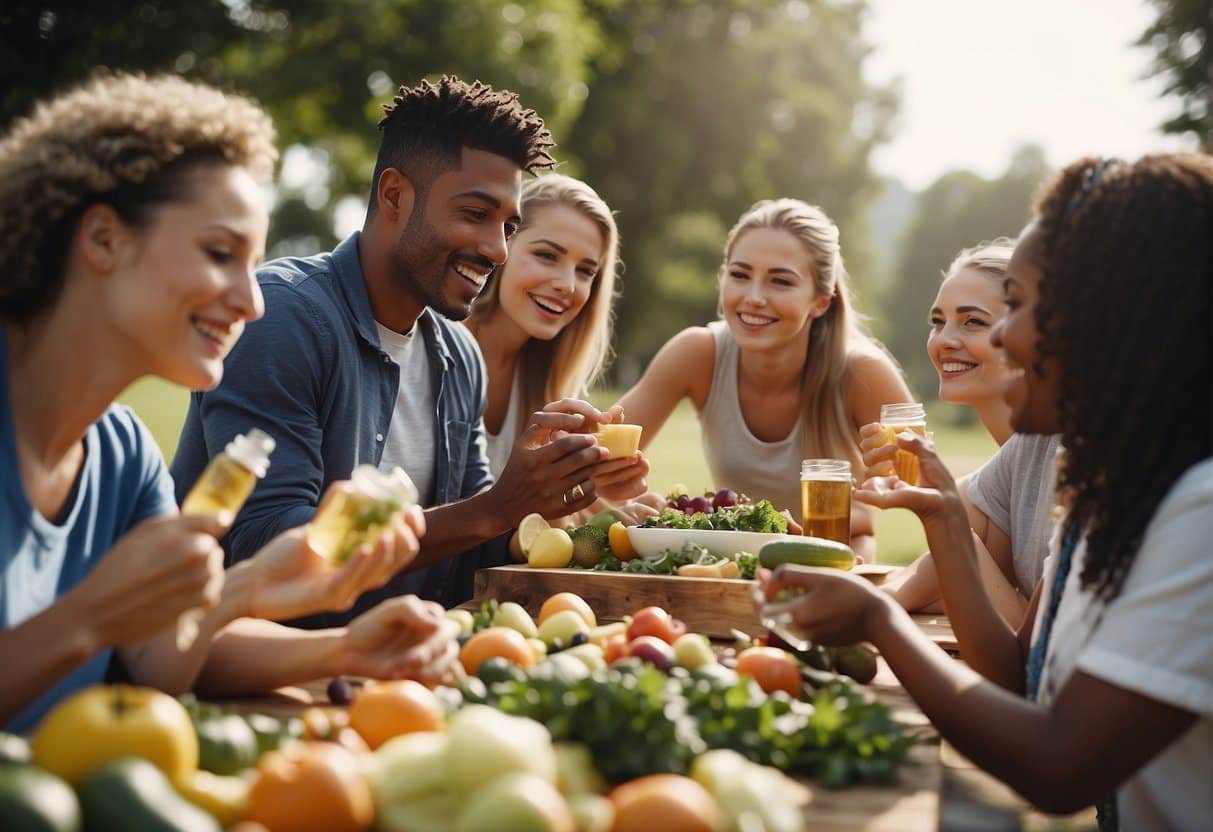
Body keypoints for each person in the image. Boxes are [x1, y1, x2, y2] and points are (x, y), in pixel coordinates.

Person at [761, 154, 1212, 827]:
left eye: (1020, 306)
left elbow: (1059, 769)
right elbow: (1015, 678)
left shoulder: (1198, 511)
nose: (1000, 333)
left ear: (1105, 321)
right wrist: (946, 520)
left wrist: (879, 620)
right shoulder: (1103, 495)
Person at [0, 73, 454, 732]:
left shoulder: (122, 455)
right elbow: (108, 627)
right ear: (103, 240)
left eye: (256, 263)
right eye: (220, 254)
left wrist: (336, 643)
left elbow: (158, 654)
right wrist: (92, 615)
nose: (253, 301)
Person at [171, 76, 615, 619]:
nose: (497, 250)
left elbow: (473, 541)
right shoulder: (283, 318)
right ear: (394, 196)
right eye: (476, 214)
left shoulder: (459, 356)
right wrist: (497, 507)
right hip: (257, 672)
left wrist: (550, 499)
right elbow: (269, 543)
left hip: (397, 670)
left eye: (507, 225)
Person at [614, 198, 913, 559]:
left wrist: (896, 474)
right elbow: (600, 452)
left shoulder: (861, 370)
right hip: (738, 570)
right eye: (740, 275)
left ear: (821, 300)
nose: (754, 298)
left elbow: (930, 488)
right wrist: (622, 501)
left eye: (780, 281)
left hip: (840, 567)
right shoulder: (697, 353)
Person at [874, 241, 1060, 625]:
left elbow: (1027, 641)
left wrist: (943, 514)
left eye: (973, 321)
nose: (944, 340)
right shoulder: (1016, 459)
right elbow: (914, 585)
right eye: (938, 322)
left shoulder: (1071, 450)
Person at [463, 173, 652, 524]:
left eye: (585, 271)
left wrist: (601, 494)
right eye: (547, 255)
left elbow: (543, 525)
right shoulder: (439, 349)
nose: (567, 285)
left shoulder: (553, 385)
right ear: (502, 246)